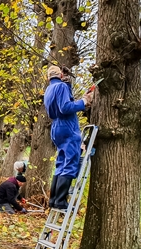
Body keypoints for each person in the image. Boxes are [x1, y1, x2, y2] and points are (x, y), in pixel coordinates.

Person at [44, 65, 93, 210]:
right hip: (67, 126)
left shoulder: (49, 89)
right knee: (71, 162)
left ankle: (53, 200)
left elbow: (61, 102)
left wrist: (68, 86)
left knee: (61, 163)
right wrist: (84, 102)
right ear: (60, 76)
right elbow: (65, 107)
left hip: (56, 127)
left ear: (49, 77)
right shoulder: (62, 87)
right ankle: (61, 201)